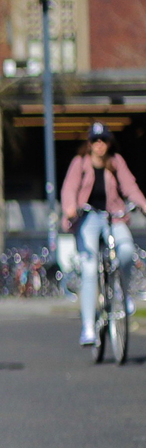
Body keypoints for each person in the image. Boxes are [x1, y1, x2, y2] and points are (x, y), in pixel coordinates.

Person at [58, 123, 143, 347]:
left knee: (125, 251)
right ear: (89, 144)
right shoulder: (80, 163)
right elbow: (69, 188)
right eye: (95, 141)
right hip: (87, 218)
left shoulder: (116, 162)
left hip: (113, 217)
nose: (99, 145)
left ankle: (122, 294)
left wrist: (142, 203)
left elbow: (130, 186)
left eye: (103, 140)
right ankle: (88, 327)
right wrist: (70, 207)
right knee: (89, 268)